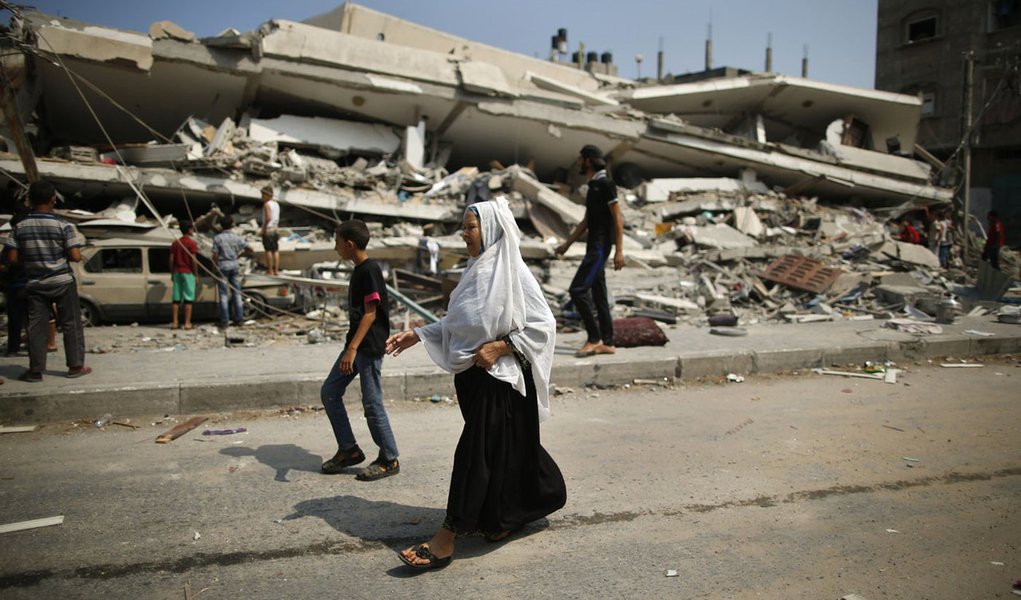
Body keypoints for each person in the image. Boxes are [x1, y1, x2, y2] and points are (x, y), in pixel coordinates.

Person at [386, 198, 566, 570]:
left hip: (500, 381)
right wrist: (419, 334)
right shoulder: (476, 270)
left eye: (470, 226)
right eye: (464, 227)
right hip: (474, 379)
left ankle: (446, 539)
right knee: (507, 450)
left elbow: (543, 325)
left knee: (474, 455)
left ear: (491, 230)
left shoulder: (512, 271)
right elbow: (458, 324)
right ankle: (508, 516)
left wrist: (501, 346)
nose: (463, 234)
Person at [319, 219, 400, 482]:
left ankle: (389, 458)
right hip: (355, 345)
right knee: (330, 391)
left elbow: (370, 312)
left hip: (367, 347)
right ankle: (349, 450)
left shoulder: (369, 270)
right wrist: (350, 346)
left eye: (337, 243)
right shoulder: (359, 270)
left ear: (350, 244)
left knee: (372, 403)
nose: (335, 248)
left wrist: (352, 349)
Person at [4, 180, 90, 382]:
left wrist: (34, 258)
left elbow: (12, 259)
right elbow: (76, 255)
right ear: (53, 200)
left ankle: (35, 371)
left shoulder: (20, 227)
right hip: (62, 280)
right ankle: (76, 366)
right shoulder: (64, 225)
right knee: (71, 324)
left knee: (36, 327)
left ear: (30, 200)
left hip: (35, 283)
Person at [555, 144, 625, 357]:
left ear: (588, 160)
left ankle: (594, 338)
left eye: (580, 159)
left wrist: (619, 250)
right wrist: (566, 245)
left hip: (600, 247)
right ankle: (608, 342)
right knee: (599, 295)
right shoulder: (593, 186)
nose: (578, 163)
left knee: (577, 290)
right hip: (592, 245)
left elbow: (617, 219)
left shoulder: (606, 184)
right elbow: (586, 221)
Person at [211, 215, 252, 328]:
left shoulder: (218, 238)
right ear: (232, 225)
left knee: (223, 294)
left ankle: (224, 321)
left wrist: (213, 269)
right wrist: (240, 255)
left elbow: (215, 255)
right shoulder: (237, 237)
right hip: (234, 265)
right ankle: (239, 319)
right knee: (236, 293)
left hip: (222, 266)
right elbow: (250, 249)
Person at [169, 220, 199, 330]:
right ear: (190, 230)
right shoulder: (191, 243)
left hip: (177, 272)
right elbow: (193, 260)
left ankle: (175, 322)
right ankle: (187, 323)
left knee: (176, 299)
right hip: (188, 272)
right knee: (188, 299)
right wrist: (196, 274)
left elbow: (171, 259)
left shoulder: (176, 242)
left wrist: (172, 272)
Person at [260, 186, 281, 276]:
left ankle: (270, 271)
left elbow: (268, 218)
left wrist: (263, 230)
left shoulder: (267, 204)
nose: (262, 197)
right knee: (275, 250)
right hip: (275, 228)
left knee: (268, 250)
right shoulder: (276, 204)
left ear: (267, 195)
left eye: (263, 195)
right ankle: (276, 270)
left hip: (268, 229)